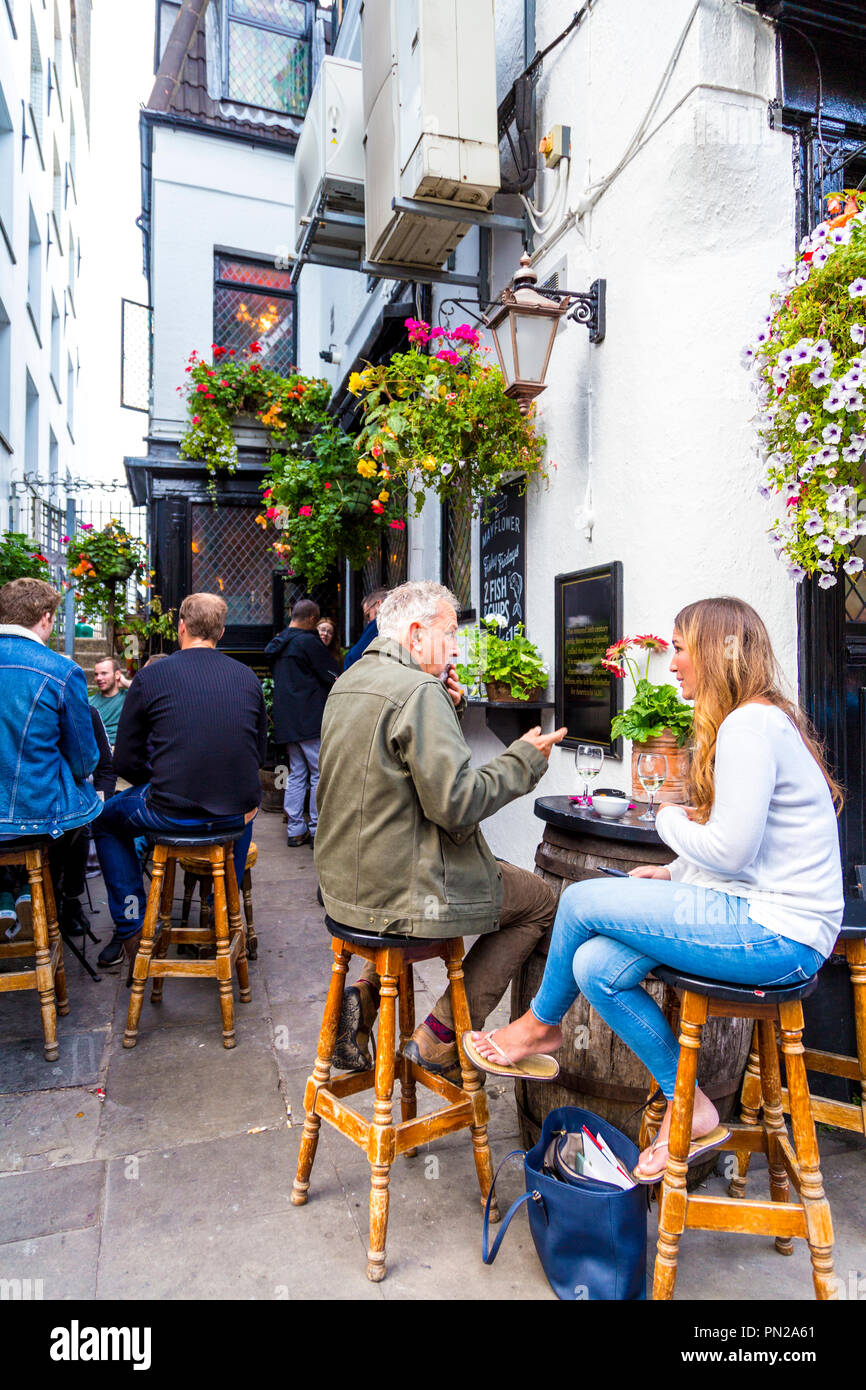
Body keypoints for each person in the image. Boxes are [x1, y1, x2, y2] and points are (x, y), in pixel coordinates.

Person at [467, 597, 844, 1180]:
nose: (673, 664)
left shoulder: (749, 724)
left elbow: (733, 850)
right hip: (759, 920)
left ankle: (542, 1025)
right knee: (594, 964)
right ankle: (687, 1101)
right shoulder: (757, 720)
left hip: (778, 937)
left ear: (718, 652)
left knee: (579, 899)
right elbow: (750, 851)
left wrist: (663, 814)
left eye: (681, 648)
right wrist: (673, 874)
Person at [315, 579, 567, 1078]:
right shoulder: (418, 690)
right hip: (400, 893)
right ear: (415, 634)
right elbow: (456, 805)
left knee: (410, 896)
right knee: (538, 901)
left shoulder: (352, 679)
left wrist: (447, 710)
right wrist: (523, 760)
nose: (457, 647)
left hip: (346, 889)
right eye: (449, 634)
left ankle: (364, 1000)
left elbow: (394, 770)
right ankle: (437, 1039)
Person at [92, 592, 267, 973]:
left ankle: (132, 923)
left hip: (170, 810)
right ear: (221, 631)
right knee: (245, 810)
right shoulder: (248, 677)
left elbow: (124, 760)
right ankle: (218, 907)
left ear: (181, 628)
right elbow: (258, 752)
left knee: (104, 820)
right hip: (233, 815)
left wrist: (156, 783)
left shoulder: (152, 675)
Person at [0, 578, 102, 934]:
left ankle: (7, 897)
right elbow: (85, 762)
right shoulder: (60, 670)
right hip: (36, 816)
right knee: (82, 809)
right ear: (45, 618)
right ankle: (50, 897)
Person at [265, 598, 338, 848]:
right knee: (319, 773)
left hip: (287, 719)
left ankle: (296, 829)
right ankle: (318, 829)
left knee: (297, 774)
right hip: (310, 718)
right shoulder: (309, 642)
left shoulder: (278, 644)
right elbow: (333, 676)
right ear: (310, 620)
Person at [342, 587, 388, 670]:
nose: (368, 622)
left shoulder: (379, 623)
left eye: (368, 615)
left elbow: (353, 659)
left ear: (379, 604)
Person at [89, 657, 128, 746]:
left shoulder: (128, 697)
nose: (98, 678)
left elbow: (151, 692)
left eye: (104, 673)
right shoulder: (89, 702)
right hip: (100, 750)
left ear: (117, 674)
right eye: (96, 674)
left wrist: (126, 682)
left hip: (123, 749)